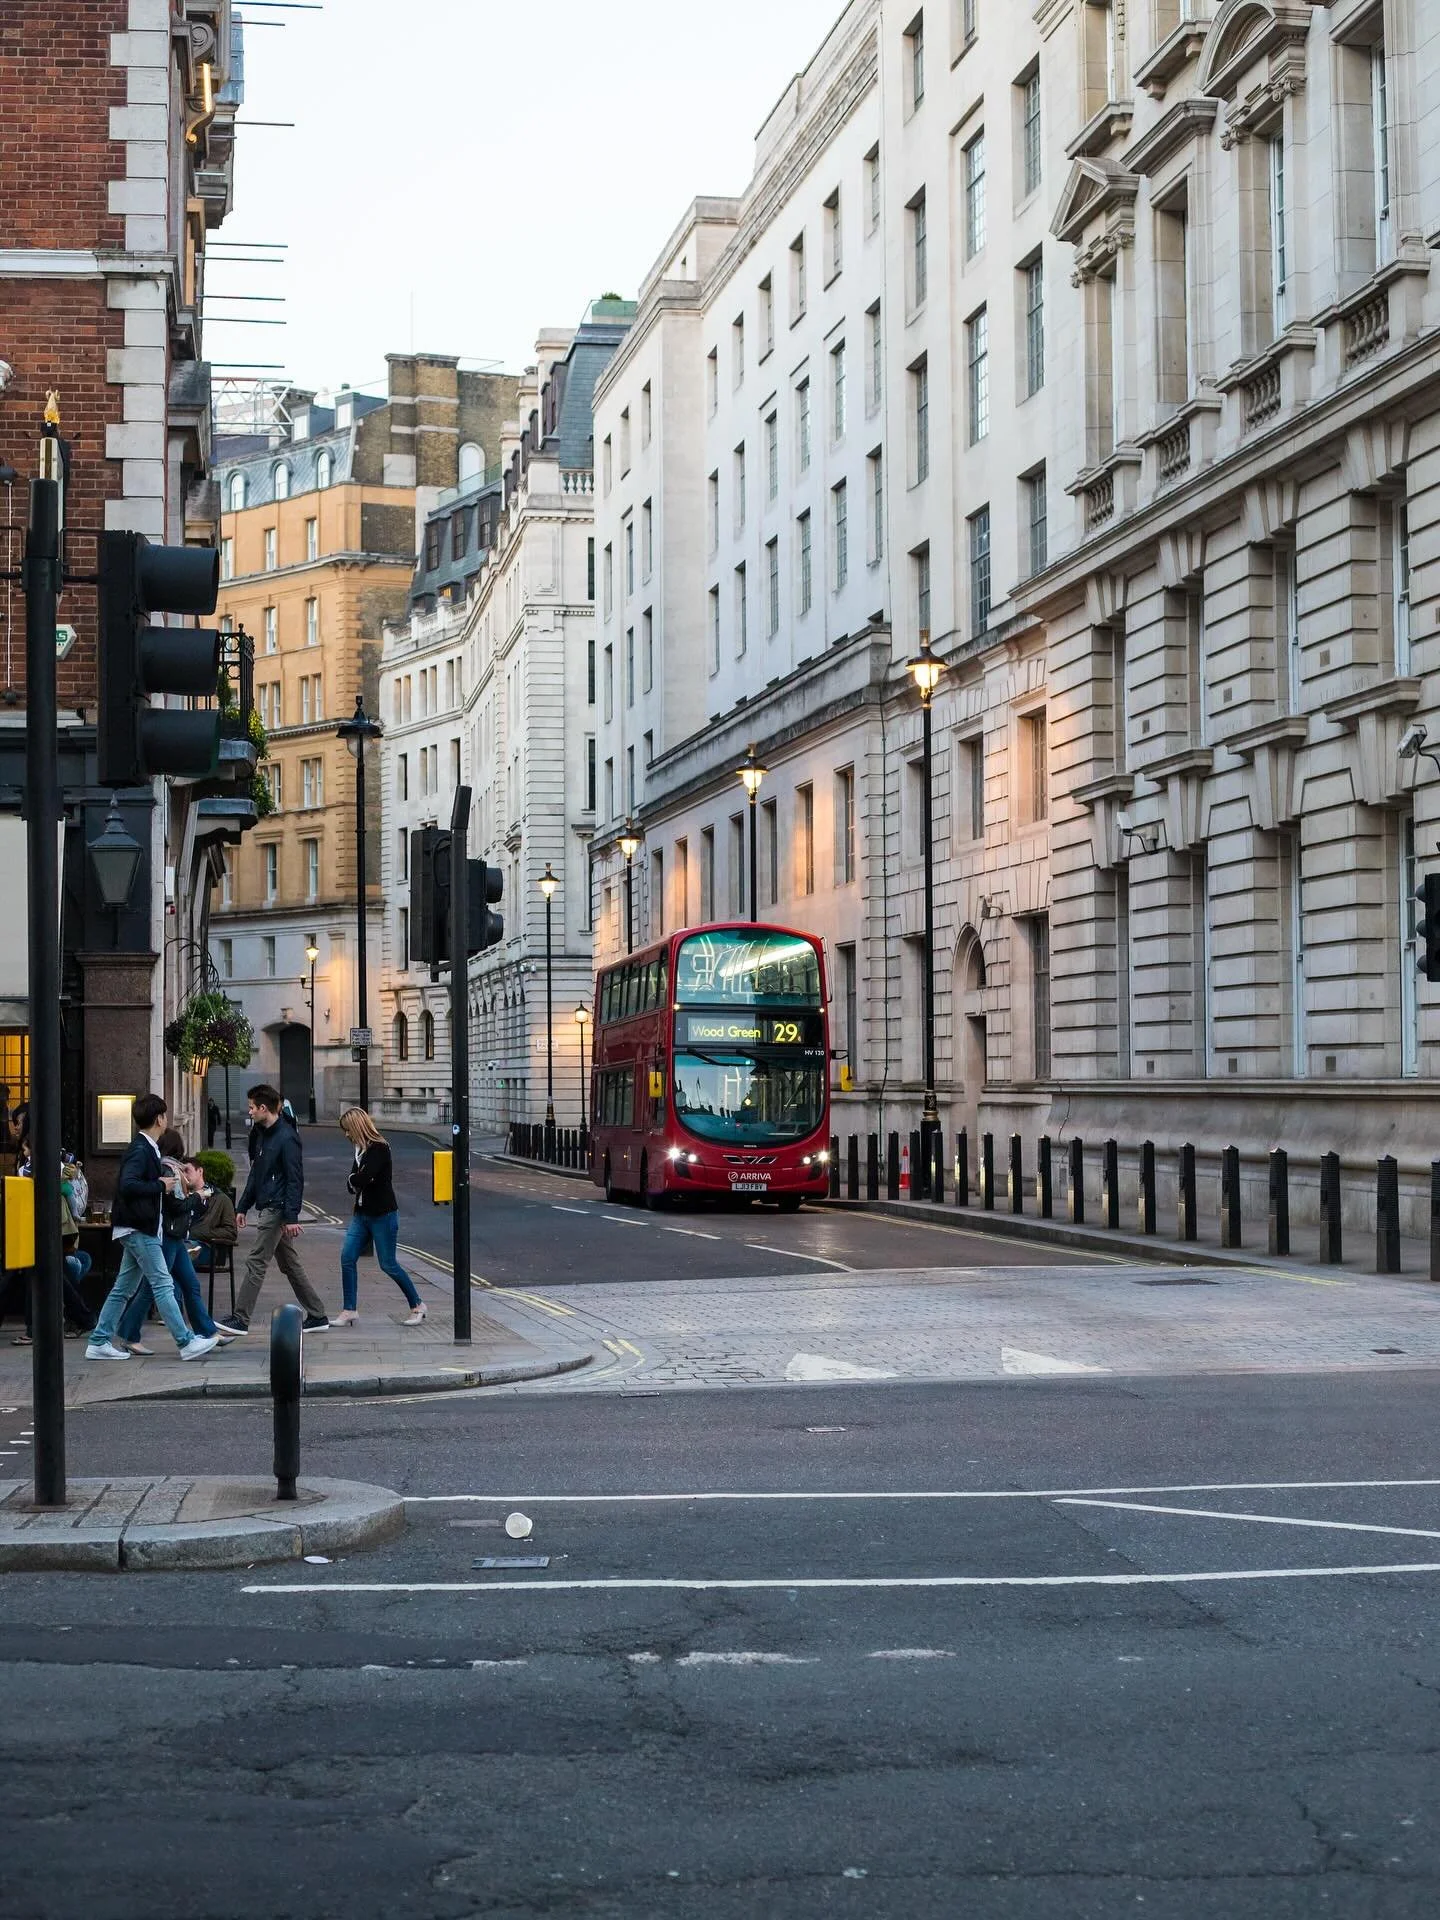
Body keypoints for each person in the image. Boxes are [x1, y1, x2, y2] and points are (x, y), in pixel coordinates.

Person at [84, 1095, 220, 1363]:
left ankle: (99, 1341)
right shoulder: (141, 1149)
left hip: (137, 1228)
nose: (167, 1120)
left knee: (123, 1288)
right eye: (166, 1116)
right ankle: (186, 1341)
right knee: (162, 1283)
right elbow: (127, 1184)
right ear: (159, 1118)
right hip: (138, 1229)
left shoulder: (146, 1147)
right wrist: (161, 1185)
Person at [218, 1083, 328, 1334]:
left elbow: (294, 1179)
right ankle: (318, 1315)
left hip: (277, 1209)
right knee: (290, 1264)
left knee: (256, 1260)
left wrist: (291, 1217)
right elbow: (257, 1173)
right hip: (268, 1204)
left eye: (251, 1108)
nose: (249, 1112)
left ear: (264, 1108)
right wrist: (243, 1206)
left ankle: (240, 1318)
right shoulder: (260, 1133)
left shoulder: (287, 1137)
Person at [114, 1132, 228, 1353]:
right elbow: (175, 1206)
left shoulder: (171, 1168)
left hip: (175, 1236)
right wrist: (197, 1196)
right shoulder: (168, 1169)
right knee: (152, 1288)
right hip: (167, 1235)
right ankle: (132, 1334)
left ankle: (207, 1332)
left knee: (190, 1284)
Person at [335, 1108, 425, 1327]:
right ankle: (349, 1310)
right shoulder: (360, 1150)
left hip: (383, 1215)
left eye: (348, 1130)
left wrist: (356, 1178)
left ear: (357, 1127)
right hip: (361, 1214)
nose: (346, 1135)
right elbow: (353, 1183)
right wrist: (356, 1178)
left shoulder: (380, 1148)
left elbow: (362, 1178)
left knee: (388, 1264)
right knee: (347, 1257)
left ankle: (418, 1305)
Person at [189, 1165, 238, 1274]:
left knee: (180, 1253)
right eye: (181, 1171)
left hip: (206, 1247)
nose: (184, 1175)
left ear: (200, 1171)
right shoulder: (180, 1196)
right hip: (182, 1242)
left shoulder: (220, 1199)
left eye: (187, 1170)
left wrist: (199, 1232)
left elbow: (231, 1232)